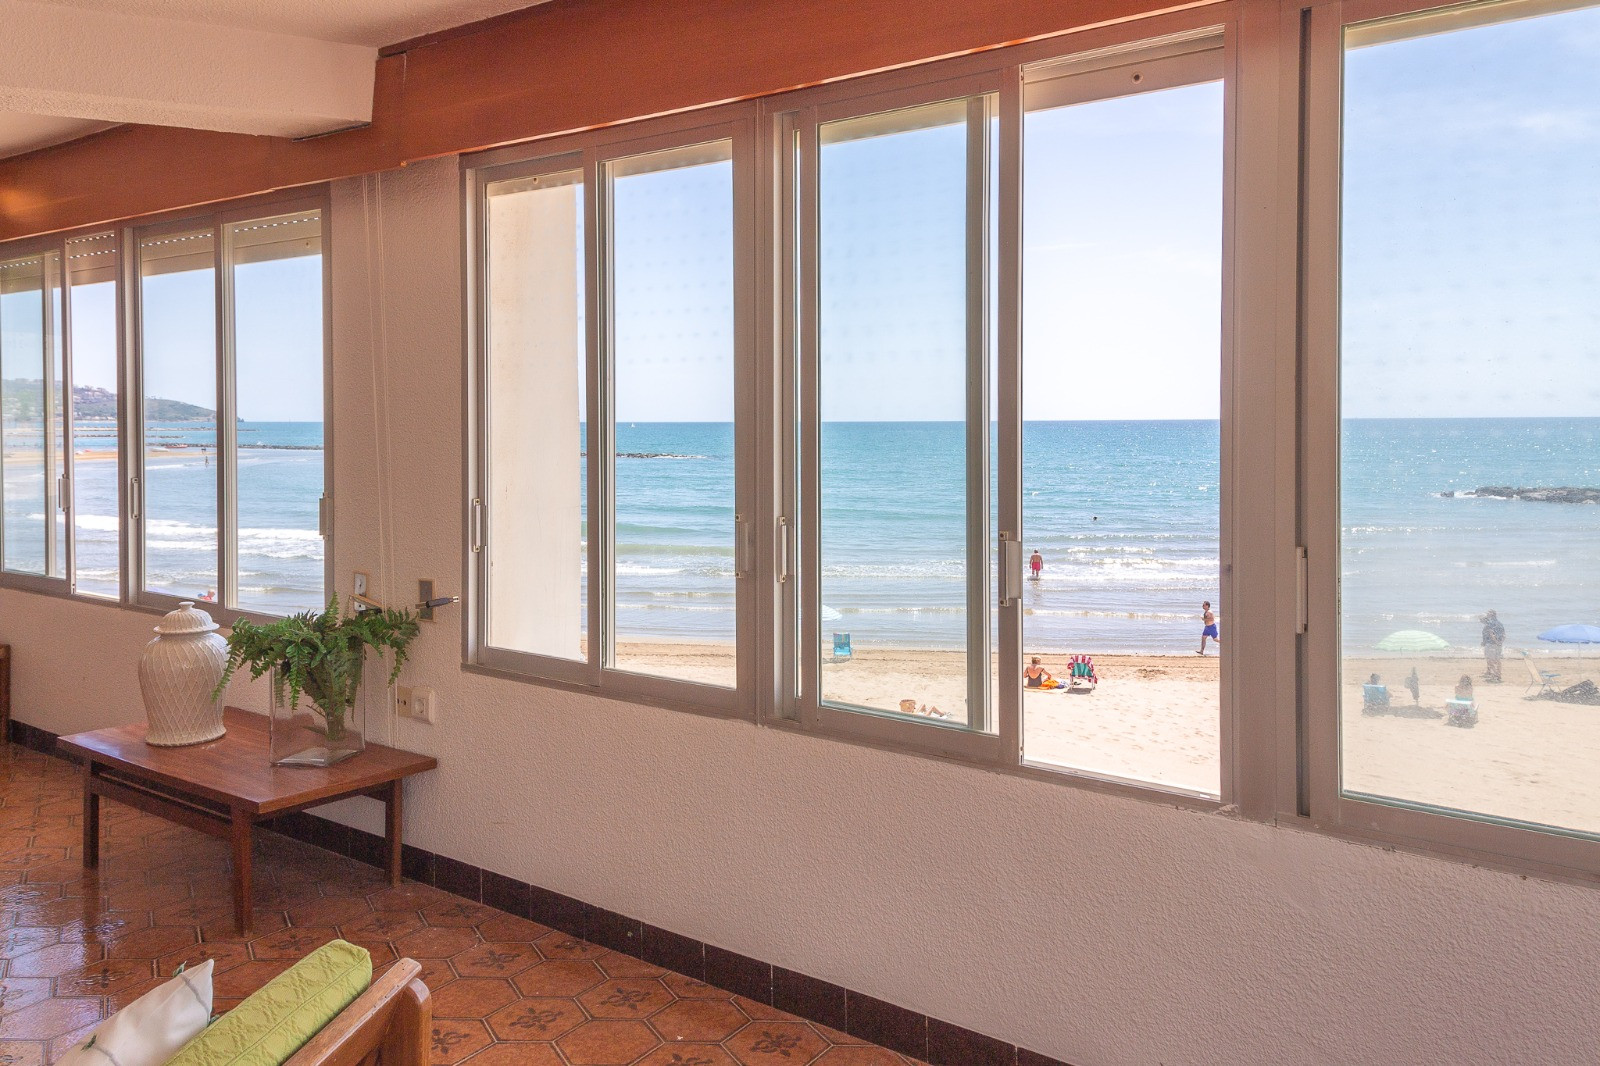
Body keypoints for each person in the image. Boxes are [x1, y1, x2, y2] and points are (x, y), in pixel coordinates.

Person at [1481, 610, 1505, 683]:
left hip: (1491, 644)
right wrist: (1500, 642)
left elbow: (1491, 634)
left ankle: (1496, 674)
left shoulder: (1490, 623)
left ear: (1491, 615)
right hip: (1499, 644)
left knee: (1489, 660)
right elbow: (1504, 634)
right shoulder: (1500, 624)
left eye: (1488, 614)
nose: (1487, 615)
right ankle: (1499, 674)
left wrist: (1495, 641)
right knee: (1498, 660)